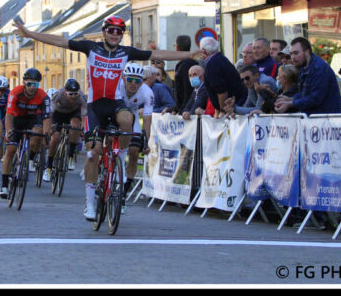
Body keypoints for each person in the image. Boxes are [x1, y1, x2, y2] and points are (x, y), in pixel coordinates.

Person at [13, 14, 202, 220]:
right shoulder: (90, 48)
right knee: (93, 153)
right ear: (104, 32)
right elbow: (60, 41)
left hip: (115, 104)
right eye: (111, 30)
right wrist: (29, 33)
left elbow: (156, 52)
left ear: (122, 35)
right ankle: (90, 202)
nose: (114, 34)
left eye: (119, 31)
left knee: (127, 120)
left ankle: (119, 157)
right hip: (94, 107)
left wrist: (188, 54)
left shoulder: (126, 52)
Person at [0, 68, 52, 199]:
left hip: (33, 120)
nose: (32, 87)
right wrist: (8, 132)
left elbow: (47, 118)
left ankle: (29, 159)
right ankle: (4, 185)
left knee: (38, 133)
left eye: (35, 84)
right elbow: (9, 116)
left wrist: (47, 136)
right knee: (11, 150)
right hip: (16, 119)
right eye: (29, 84)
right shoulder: (15, 93)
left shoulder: (43, 96)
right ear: (24, 83)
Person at [275, 37, 341, 115]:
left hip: (327, 120)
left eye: (296, 53)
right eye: (291, 54)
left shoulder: (319, 68)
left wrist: (291, 103)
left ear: (307, 52)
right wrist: (290, 99)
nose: (293, 57)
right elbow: (304, 94)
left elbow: (315, 99)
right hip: (317, 120)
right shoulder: (303, 67)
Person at [118, 63, 153, 214]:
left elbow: (147, 119)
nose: (133, 84)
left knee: (134, 152)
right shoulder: (117, 86)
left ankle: (123, 194)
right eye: (130, 80)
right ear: (124, 78)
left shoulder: (147, 93)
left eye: (137, 81)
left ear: (142, 81)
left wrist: (146, 141)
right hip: (115, 113)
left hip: (131, 117)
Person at [45, 78, 87, 182]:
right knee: (55, 138)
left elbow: (84, 112)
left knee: (75, 126)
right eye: (70, 94)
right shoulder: (58, 94)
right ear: (65, 92)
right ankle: (49, 168)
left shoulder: (81, 96)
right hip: (58, 114)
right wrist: (49, 127)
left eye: (75, 94)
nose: (73, 96)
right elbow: (50, 113)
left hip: (73, 113)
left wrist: (82, 127)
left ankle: (70, 157)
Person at [199, 37, 248, 118]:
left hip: (231, 108)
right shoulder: (221, 59)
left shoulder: (212, 64)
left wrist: (222, 111)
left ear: (203, 51)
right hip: (236, 102)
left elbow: (221, 91)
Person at [172, 35, 199, 115]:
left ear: (177, 48)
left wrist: (182, 109)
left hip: (185, 111)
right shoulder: (188, 64)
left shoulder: (184, 66)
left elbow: (186, 90)